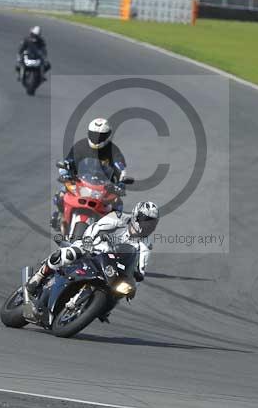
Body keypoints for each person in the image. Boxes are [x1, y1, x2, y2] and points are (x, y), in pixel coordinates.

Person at [26, 201, 159, 296]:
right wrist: (87, 243)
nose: (148, 225)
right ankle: (39, 276)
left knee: (115, 294)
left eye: (152, 223)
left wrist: (133, 286)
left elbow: (140, 271)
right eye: (146, 220)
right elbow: (96, 227)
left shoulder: (146, 244)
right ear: (136, 216)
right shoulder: (119, 218)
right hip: (92, 247)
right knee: (70, 254)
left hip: (110, 266)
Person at [50, 117, 128, 230]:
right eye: (94, 134)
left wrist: (121, 182)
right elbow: (68, 161)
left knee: (117, 203)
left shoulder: (113, 150)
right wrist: (64, 172)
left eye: (100, 136)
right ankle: (60, 217)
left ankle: (113, 230)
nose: (96, 138)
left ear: (108, 135)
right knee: (60, 194)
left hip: (104, 186)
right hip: (80, 182)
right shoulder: (80, 146)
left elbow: (120, 166)